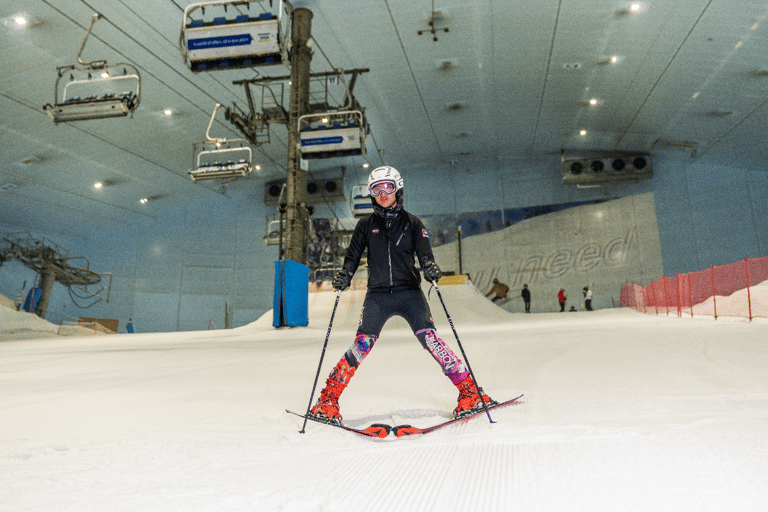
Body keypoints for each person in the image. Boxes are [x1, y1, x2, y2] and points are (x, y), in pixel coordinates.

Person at [311, 166, 494, 424]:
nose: (382, 193)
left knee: (431, 340)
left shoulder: (412, 223)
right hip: (378, 296)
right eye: (376, 189)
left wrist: (430, 267)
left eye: (388, 187)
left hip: (409, 293)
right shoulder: (365, 226)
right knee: (362, 345)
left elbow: (425, 254)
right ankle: (327, 399)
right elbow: (352, 257)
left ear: (398, 188)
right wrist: (345, 275)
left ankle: (470, 392)